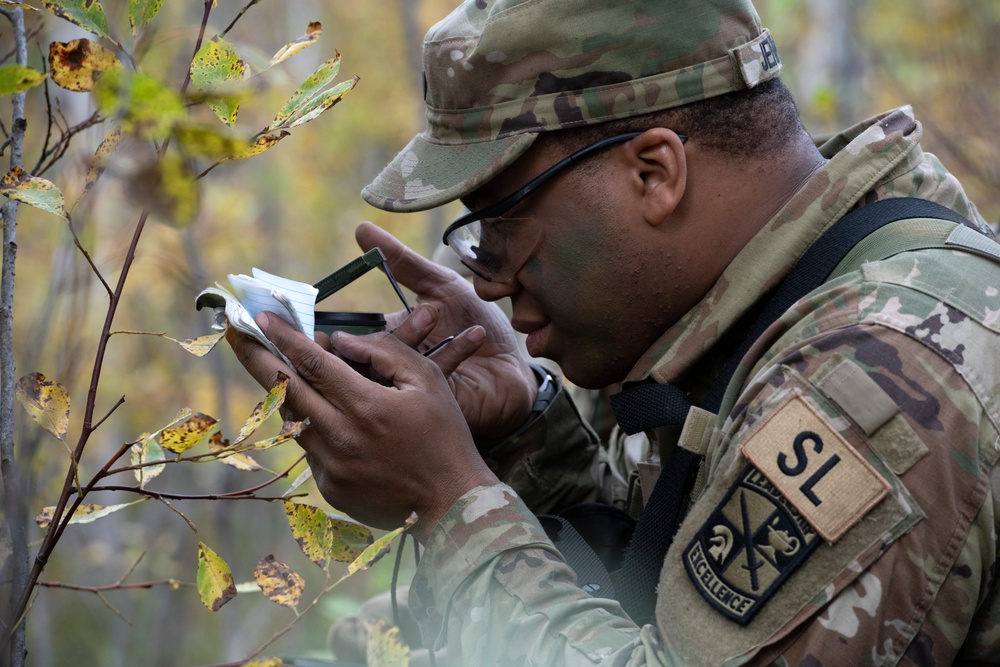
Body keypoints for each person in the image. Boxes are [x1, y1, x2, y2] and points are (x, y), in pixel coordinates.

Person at [227, 0, 1000, 664]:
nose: (487, 279)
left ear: (654, 174)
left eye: (502, 222)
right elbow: (677, 614)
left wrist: (446, 498)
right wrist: (533, 444)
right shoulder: (778, 298)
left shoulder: (886, 369)